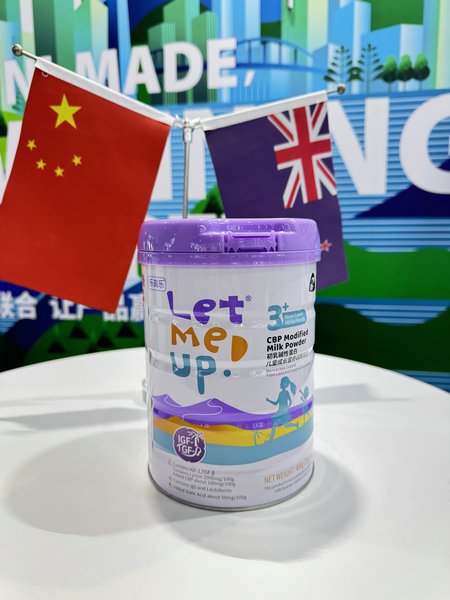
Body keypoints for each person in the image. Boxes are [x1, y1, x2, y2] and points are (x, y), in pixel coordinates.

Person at [266, 376, 299, 441]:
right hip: (280, 411)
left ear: (284, 384)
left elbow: (290, 401)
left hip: (283, 412)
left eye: (281, 383)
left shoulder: (286, 392)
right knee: (284, 425)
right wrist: (268, 400)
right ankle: (295, 425)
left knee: (275, 425)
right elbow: (276, 403)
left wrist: (287, 409)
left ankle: (271, 439)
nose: (280, 384)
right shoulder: (280, 393)